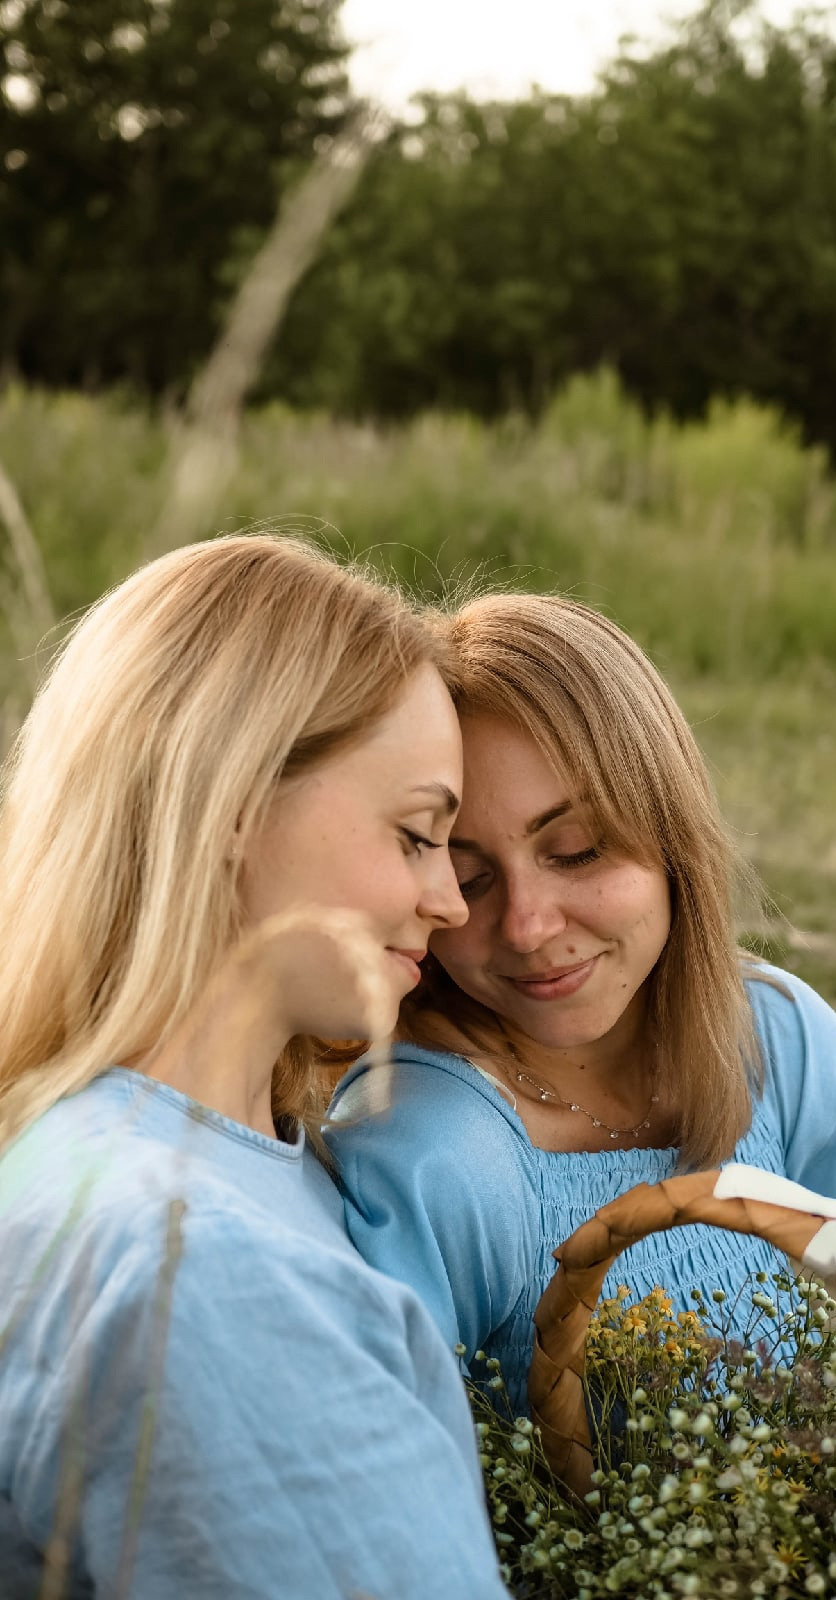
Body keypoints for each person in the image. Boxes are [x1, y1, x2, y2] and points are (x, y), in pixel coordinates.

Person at [325, 592, 836, 1416]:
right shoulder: (427, 1148)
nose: (529, 927)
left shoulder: (772, 1039)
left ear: (671, 833)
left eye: (577, 851)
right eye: (469, 878)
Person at [0, 534, 511, 1600]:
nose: (451, 903)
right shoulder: (207, 1273)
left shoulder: (111, 1145)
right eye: (419, 834)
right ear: (234, 801)